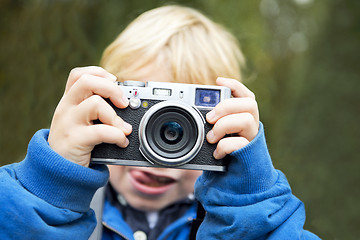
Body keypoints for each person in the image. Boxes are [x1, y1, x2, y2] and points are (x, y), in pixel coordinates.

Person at [0, 5, 320, 240]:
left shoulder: (235, 221)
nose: (159, 156)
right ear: (103, 103)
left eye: (186, 126)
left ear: (225, 127)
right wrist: (47, 188)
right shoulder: (58, 206)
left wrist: (251, 207)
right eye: (144, 115)